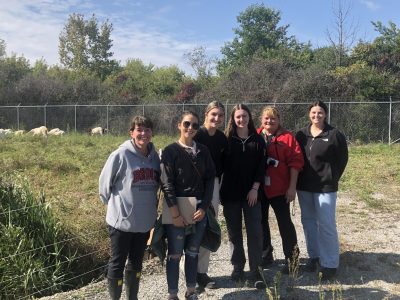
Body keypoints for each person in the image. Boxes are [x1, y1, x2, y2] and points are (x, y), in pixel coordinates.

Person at [99, 116, 160, 300]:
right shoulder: (120, 155)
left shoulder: (154, 157)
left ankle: (132, 297)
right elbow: (104, 186)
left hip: (143, 223)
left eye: (147, 129)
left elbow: (158, 183)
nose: (143, 133)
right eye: (139, 130)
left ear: (151, 133)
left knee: (136, 262)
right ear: (131, 132)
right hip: (122, 222)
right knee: (117, 262)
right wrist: (116, 207)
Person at [160, 111, 215, 300]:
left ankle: (191, 291)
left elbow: (210, 180)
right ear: (179, 125)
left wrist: (204, 207)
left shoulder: (203, 151)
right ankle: (172, 294)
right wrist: (175, 214)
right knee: (174, 254)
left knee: (192, 252)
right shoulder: (170, 151)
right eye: (186, 124)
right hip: (176, 208)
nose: (190, 128)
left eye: (194, 125)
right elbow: (166, 184)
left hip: (198, 210)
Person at [296, 100, 348, 281]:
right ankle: (314, 257)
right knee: (308, 222)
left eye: (320, 113)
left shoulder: (334, 134)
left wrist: (332, 177)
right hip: (304, 187)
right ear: (309, 114)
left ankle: (330, 263)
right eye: (313, 112)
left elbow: (342, 160)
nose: (316, 116)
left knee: (326, 224)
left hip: (325, 188)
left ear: (325, 114)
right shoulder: (301, 135)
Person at [220, 104, 266, 289]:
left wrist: (255, 188)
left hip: (252, 195)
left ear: (249, 117)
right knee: (234, 233)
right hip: (230, 194)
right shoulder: (226, 140)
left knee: (255, 232)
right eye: (238, 116)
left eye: (244, 116)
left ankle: (256, 271)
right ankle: (238, 266)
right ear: (233, 118)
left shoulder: (258, 139)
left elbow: (262, 167)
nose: (241, 119)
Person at [257, 106, 304, 273]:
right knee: (260, 223)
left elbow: (296, 163)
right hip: (260, 189)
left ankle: (292, 260)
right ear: (261, 119)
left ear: (279, 120)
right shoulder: (255, 135)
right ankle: (265, 255)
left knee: (285, 224)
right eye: (266, 118)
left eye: (273, 119)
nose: (269, 121)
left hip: (280, 188)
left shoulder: (288, 138)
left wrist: (292, 187)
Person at [193, 101, 228, 290]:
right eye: (213, 114)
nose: (217, 118)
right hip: (193, 185)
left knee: (208, 226)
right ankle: (189, 272)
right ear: (206, 114)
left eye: (221, 115)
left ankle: (201, 272)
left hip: (213, 185)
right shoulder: (196, 134)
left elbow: (223, 168)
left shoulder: (222, 139)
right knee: (191, 227)